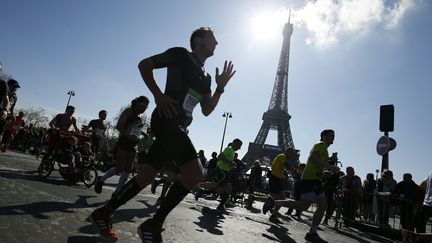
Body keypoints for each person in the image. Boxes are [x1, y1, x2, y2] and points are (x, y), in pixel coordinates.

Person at [88, 27, 236, 242]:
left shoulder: (206, 78)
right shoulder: (180, 55)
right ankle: (153, 224)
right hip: (166, 120)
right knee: (195, 174)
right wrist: (158, 95)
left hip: (178, 127)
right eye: (213, 38)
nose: (217, 43)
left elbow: (206, 110)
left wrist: (220, 88)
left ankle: (105, 212)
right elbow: (144, 65)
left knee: (147, 175)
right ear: (199, 40)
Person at [262, 129, 340, 243]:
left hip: (313, 179)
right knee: (313, 206)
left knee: (312, 206)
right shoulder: (321, 145)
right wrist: (330, 166)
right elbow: (312, 158)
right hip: (310, 180)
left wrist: (324, 173)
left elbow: (315, 166)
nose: (332, 137)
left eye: (334, 135)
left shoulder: (324, 150)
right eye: (330, 135)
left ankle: (311, 232)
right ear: (323, 136)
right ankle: (311, 233)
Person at [93, 96, 148, 197]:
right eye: (143, 105)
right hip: (124, 142)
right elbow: (119, 126)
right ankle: (101, 180)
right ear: (137, 103)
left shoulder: (140, 117)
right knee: (120, 168)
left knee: (128, 169)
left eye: (146, 106)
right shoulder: (128, 111)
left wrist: (142, 133)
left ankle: (117, 191)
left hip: (134, 144)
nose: (144, 107)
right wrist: (128, 136)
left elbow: (135, 129)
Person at [195, 139, 243, 212]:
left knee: (220, 187)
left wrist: (231, 166)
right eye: (239, 146)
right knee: (223, 188)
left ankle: (202, 191)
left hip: (224, 171)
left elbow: (223, 160)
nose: (239, 148)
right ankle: (220, 205)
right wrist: (231, 162)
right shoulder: (229, 149)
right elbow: (220, 157)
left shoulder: (232, 151)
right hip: (221, 171)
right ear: (234, 143)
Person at [264, 147, 299, 224]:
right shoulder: (282, 156)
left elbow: (281, 167)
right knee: (282, 198)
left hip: (276, 178)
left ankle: (271, 207)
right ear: (288, 152)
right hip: (275, 179)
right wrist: (293, 170)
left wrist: (282, 175)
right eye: (292, 154)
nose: (292, 156)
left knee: (277, 196)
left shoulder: (281, 157)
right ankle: (272, 211)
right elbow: (286, 165)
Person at [0, 78, 20, 144]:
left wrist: (12, 114)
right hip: (1, 111)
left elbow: (12, 107)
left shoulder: (15, 97)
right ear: (8, 85)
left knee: (1, 133)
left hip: (5, 116)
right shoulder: (3, 90)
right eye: (14, 86)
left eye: (16, 87)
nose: (15, 89)